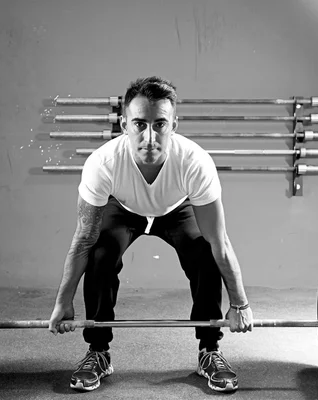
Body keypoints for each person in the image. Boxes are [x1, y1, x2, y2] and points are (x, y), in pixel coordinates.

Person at [49, 76, 253, 393]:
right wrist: (63, 302)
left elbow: (219, 242)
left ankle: (209, 350)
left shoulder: (194, 162)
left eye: (159, 124)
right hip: (123, 209)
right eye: (139, 124)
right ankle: (98, 352)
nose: (149, 137)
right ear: (123, 124)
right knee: (100, 253)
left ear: (174, 124)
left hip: (176, 208)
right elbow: (83, 240)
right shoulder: (102, 164)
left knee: (203, 252)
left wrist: (240, 304)